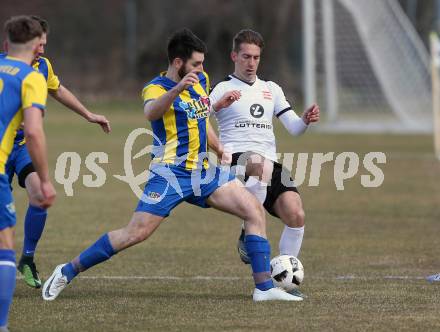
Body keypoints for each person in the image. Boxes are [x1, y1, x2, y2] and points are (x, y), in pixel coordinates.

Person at [42, 28, 302, 303]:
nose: (201, 69)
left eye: (202, 63)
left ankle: (263, 289)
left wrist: (219, 147)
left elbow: (200, 119)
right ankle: (67, 270)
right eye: (196, 63)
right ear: (178, 63)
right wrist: (179, 89)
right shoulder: (155, 88)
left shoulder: (200, 80)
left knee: (253, 210)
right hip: (170, 174)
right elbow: (150, 112)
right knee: (135, 233)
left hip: (202, 172)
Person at [1, 15, 111, 289]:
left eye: (44, 43)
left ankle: (27, 258)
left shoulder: (42, 67)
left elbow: (58, 90)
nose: (42, 49)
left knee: (39, 195)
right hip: (6, 146)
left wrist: (88, 114)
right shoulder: (10, 67)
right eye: (40, 43)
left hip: (22, 148)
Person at [209, 29, 320, 298]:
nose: (251, 63)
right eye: (246, 56)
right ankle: (249, 229)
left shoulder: (271, 89)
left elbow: (293, 128)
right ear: (234, 55)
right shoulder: (221, 88)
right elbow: (199, 118)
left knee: (296, 214)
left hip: (269, 164)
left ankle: (282, 282)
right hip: (235, 160)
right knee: (259, 164)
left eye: (256, 57)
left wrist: (304, 120)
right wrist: (217, 107)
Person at [0, 15, 56, 332]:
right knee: (4, 247)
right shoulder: (30, 76)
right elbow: (34, 132)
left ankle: (29, 258)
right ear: (37, 47)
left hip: (12, 155)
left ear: (7, 44)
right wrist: (47, 181)